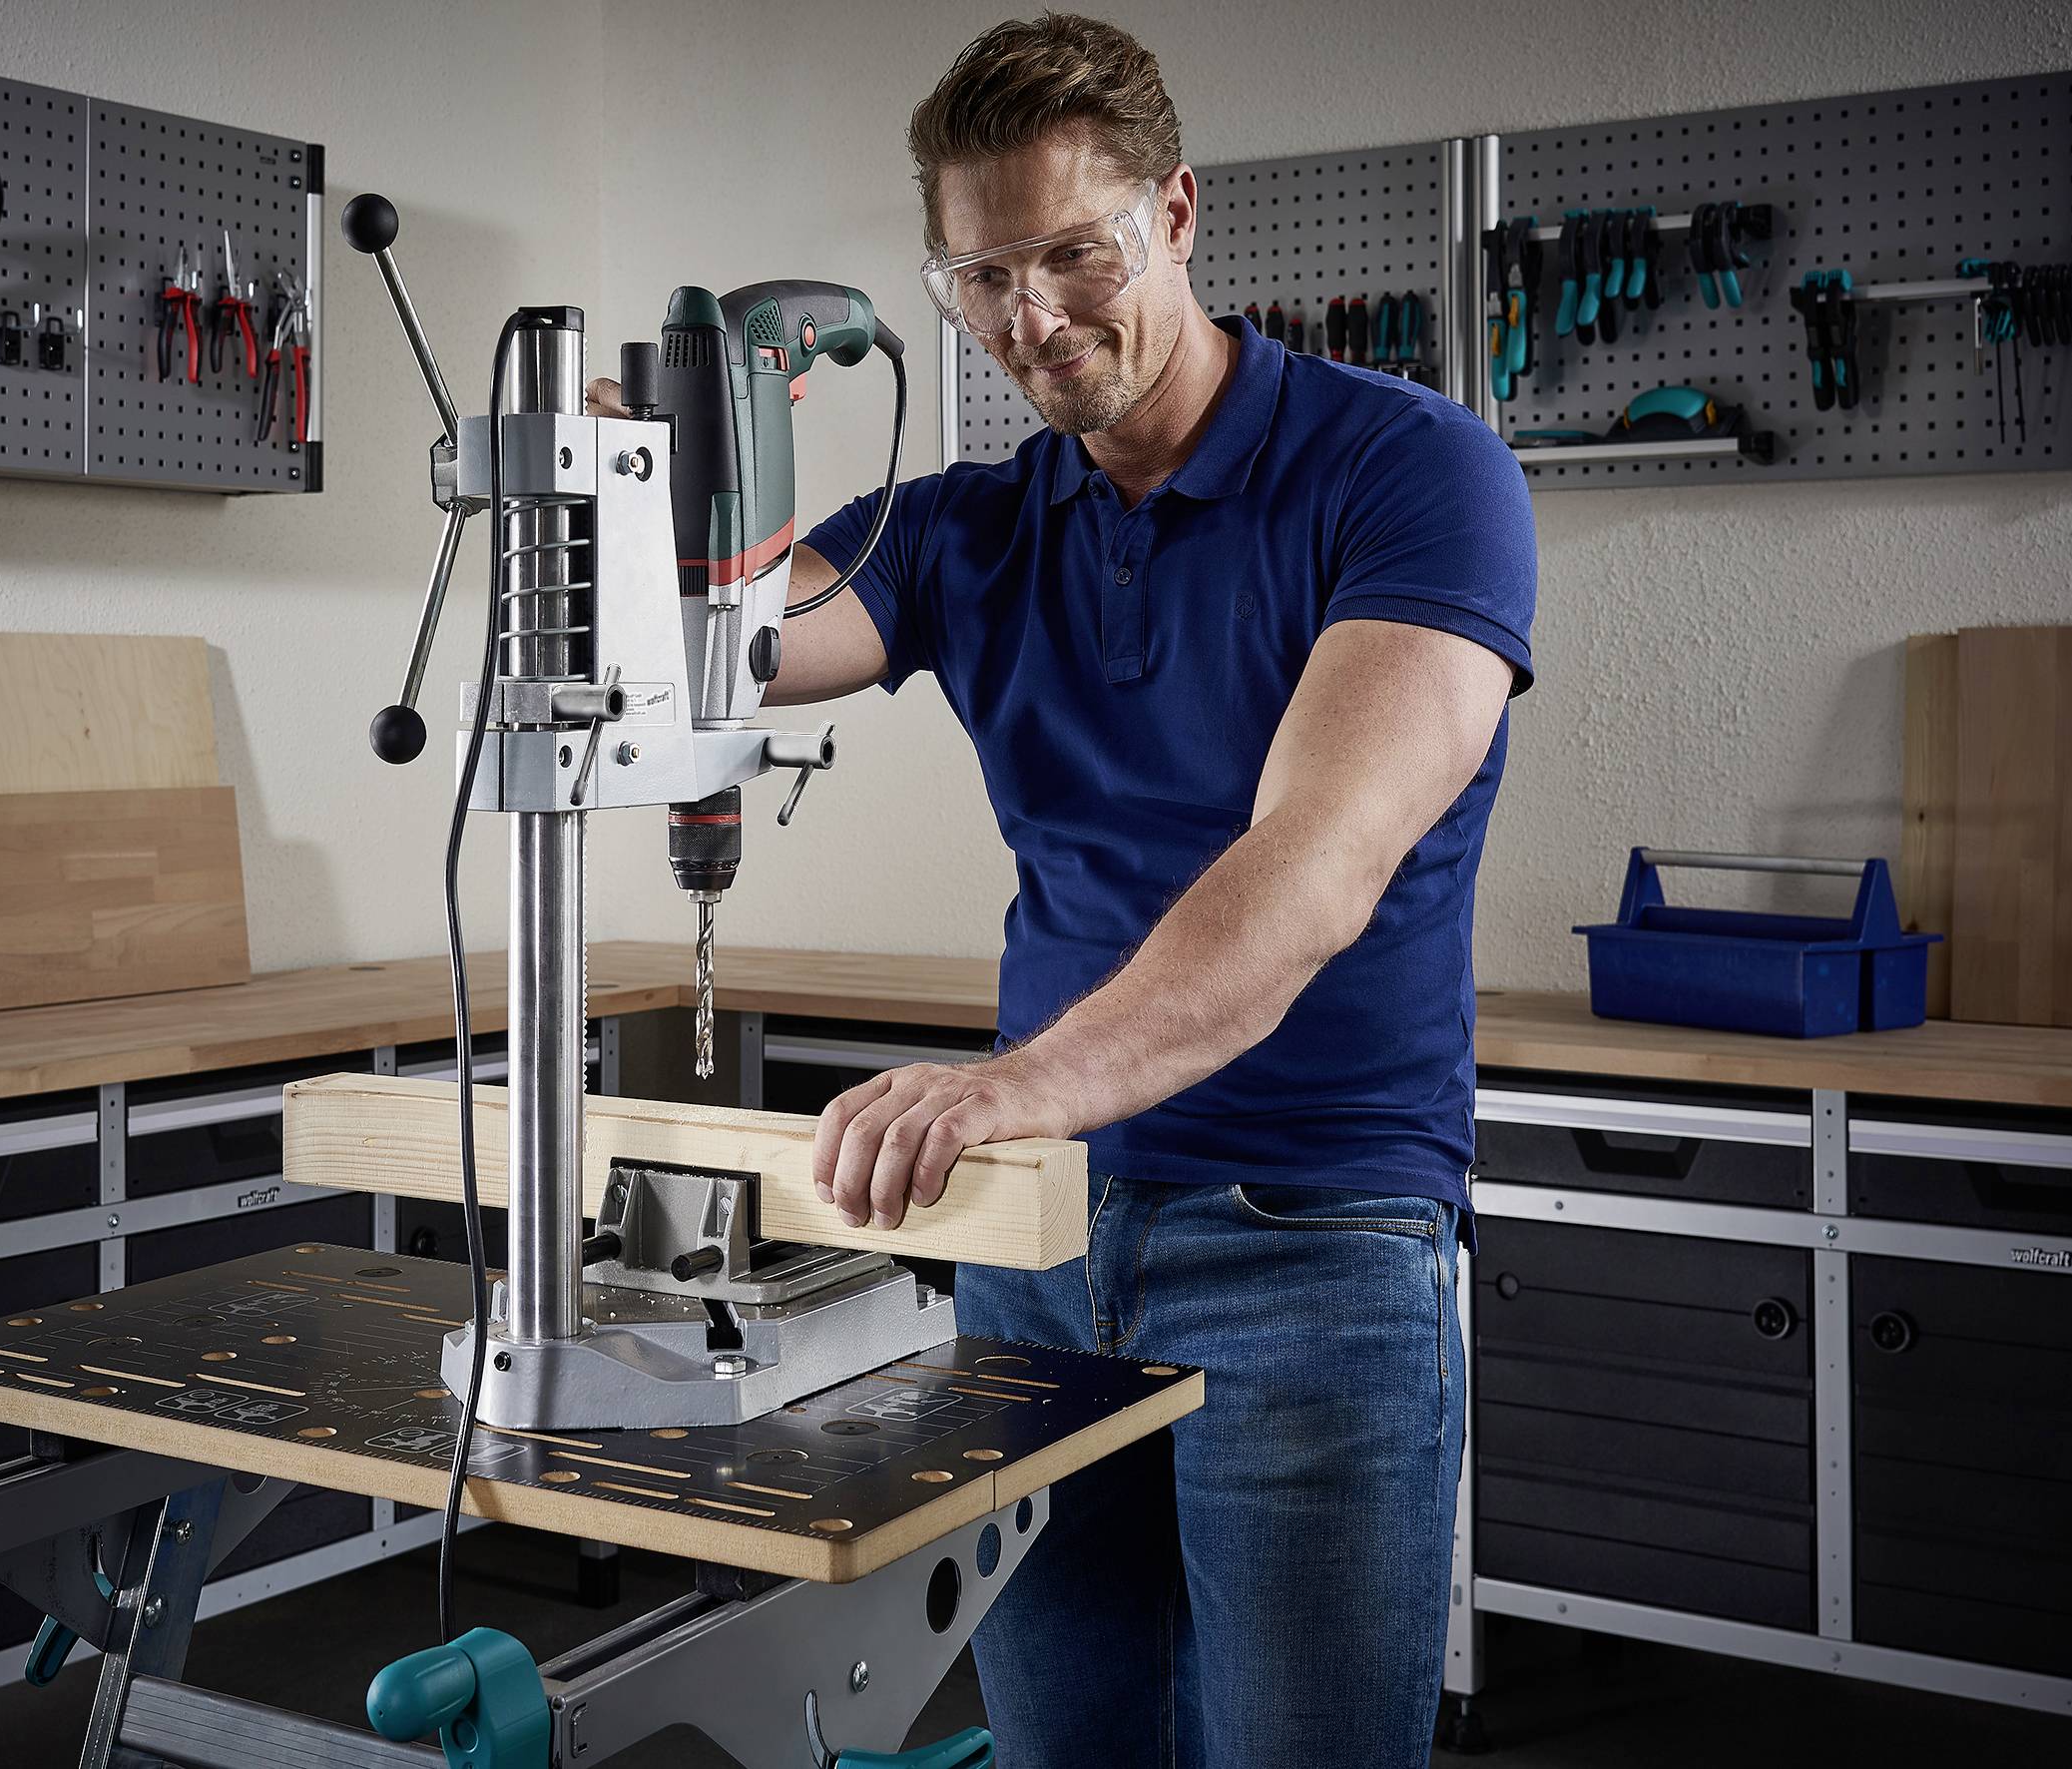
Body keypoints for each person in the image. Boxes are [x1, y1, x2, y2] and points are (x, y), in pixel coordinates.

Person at [599, 14, 1534, 1762]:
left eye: (1070, 256)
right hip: (1029, 1239)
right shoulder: (964, 526)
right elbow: (734, 655)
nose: (1028, 320)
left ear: (1172, 214)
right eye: (978, 278)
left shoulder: (1409, 471)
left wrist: (1017, 1085)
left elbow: (1315, 864)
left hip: (1311, 1244)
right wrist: (648, 503)